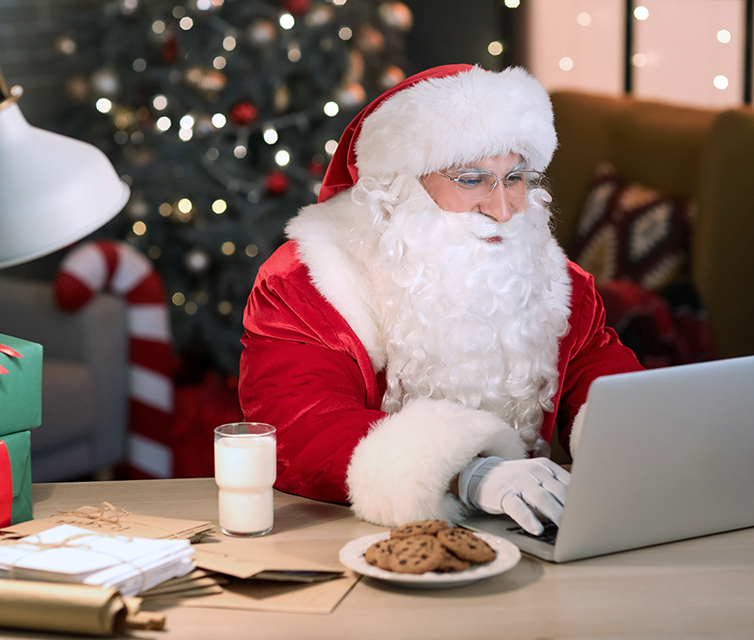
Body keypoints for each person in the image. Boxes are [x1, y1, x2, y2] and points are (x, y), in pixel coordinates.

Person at [239, 64, 643, 536]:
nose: (502, 209)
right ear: (402, 186)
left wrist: (633, 440)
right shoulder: (307, 283)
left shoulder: (555, 283)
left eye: (514, 178)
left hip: (531, 535)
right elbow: (298, 430)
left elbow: (608, 384)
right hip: (355, 540)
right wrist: (467, 473)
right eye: (471, 179)